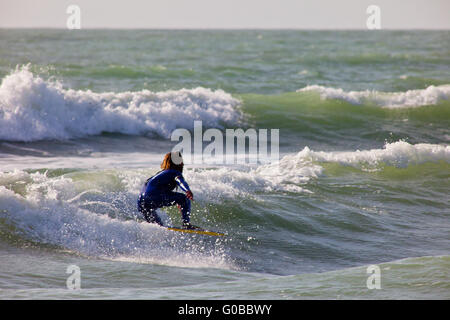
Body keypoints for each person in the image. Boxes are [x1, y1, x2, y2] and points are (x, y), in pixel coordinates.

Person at [137, 151, 195, 229]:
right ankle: (186, 224)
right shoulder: (174, 172)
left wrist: (178, 202)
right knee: (184, 198)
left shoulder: (161, 174)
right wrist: (187, 190)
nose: (183, 163)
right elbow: (180, 181)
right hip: (154, 196)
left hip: (141, 202)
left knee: (157, 227)